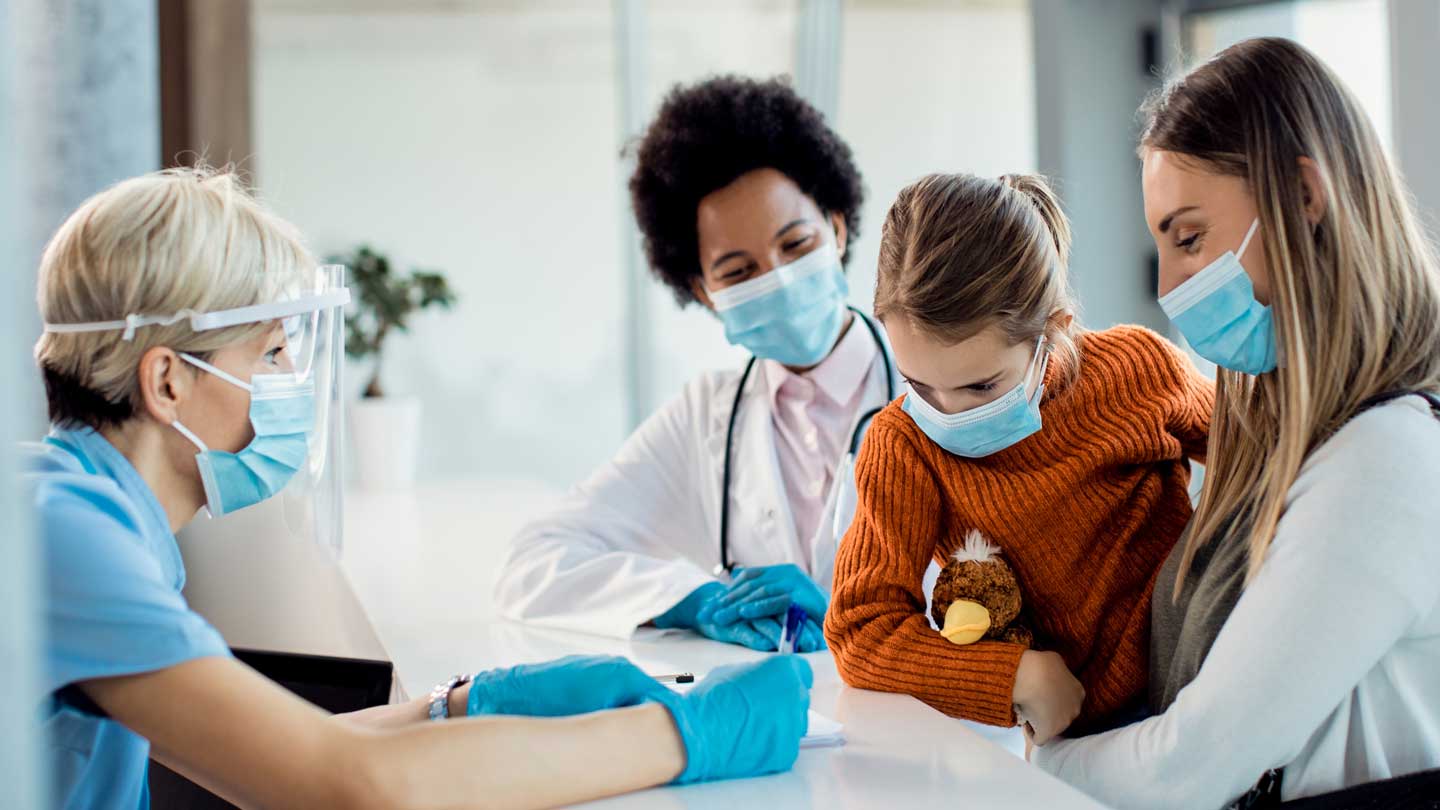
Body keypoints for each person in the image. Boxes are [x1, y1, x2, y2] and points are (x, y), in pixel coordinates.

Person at [29, 166, 813, 810]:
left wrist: (463, 705)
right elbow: (350, 786)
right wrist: (691, 735)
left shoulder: (92, 518)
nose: (290, 385)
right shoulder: (71, 545)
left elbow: (267, 755)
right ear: (166, 381)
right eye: (269, 356)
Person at [1029, 38, 1440, 808]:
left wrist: (1025, 763)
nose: (1167, 283)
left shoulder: (1390, 459)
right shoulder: (1278, 443)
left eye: (1188, 237)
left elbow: (1191, 767)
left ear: (1303, 194)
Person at [494, 76, 898, 651]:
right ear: (705, 291)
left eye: (796, 244)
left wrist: (849, 618)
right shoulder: (705, 417)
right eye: (738, 272)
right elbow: (533, 564)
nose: (777, 278)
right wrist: (694, 599)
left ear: (837, 227)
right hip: (790, 730)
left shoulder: (940, 388)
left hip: (942, 730)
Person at [824, 172, 1215, 743]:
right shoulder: (903, 445)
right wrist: (1015, 678)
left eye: (980, 387)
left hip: (1205, 678)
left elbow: (1264, 460)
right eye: (918, 384)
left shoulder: (1137, 367)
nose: (947, 411)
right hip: (1082, 729)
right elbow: (861, 629)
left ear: (1053, 329)